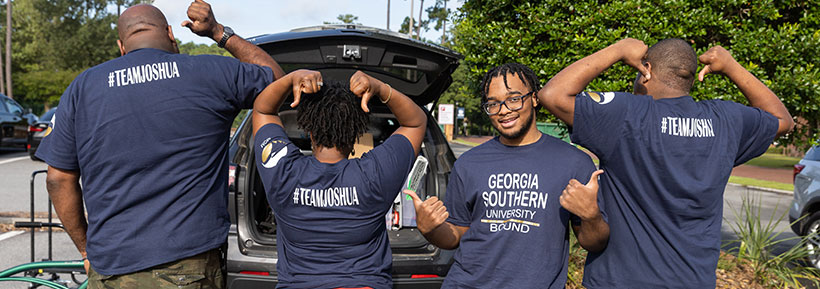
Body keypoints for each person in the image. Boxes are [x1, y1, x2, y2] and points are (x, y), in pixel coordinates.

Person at [37, 0, 284, 287]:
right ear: (170, 34)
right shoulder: (212, 72)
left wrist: (85, 248)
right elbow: (279, 81)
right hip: (187, 267)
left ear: (121, 46)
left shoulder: (83, 88)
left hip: (110, 269)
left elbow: (57, 179)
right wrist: (218, 31)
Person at [538, 38, 794, 288]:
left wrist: (619, 49)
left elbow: (552, 95)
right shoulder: (726, 120)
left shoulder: (628, 114)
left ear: (646, 70)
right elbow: (783, 120)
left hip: (620, 281)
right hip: (694, 280)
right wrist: (730, 65)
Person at [407, 63, 610, 288]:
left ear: (534, 98)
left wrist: (592, 216)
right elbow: (455, 235)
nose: (503, 110)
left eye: (514, 99)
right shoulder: (469, 163)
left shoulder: (574, 163)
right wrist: (429, 229)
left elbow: (594, 243)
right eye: (493, 104)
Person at [251, 69, 426, 288]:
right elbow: (415, 122)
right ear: (355, 135)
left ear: (310, 132)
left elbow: (262, 110)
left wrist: (290, 79)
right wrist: (380, 88)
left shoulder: (283, 171)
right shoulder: (375, 173)